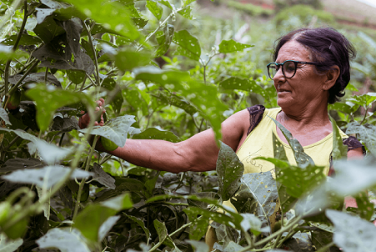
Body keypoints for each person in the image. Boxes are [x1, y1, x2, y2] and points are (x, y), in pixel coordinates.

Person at [79, 27, 364, 176]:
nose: (278, 77)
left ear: (328, 78)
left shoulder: (344, 152)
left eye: (290, 67)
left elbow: (351, 232)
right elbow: (182, 155)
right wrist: (104, 140)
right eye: (275, 67)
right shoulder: (253, 121)